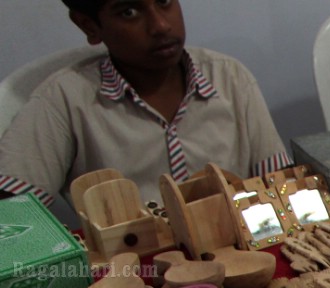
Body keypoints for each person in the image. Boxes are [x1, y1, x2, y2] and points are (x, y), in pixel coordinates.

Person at [0, 0, 291, 209]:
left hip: (240, 257)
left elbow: (282, 184)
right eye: (129, 11)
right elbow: (11, 211)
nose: (161, 25)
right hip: (134, 272)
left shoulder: (230, 77)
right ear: (89, 25)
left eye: (164, 1)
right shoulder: (65, 99)